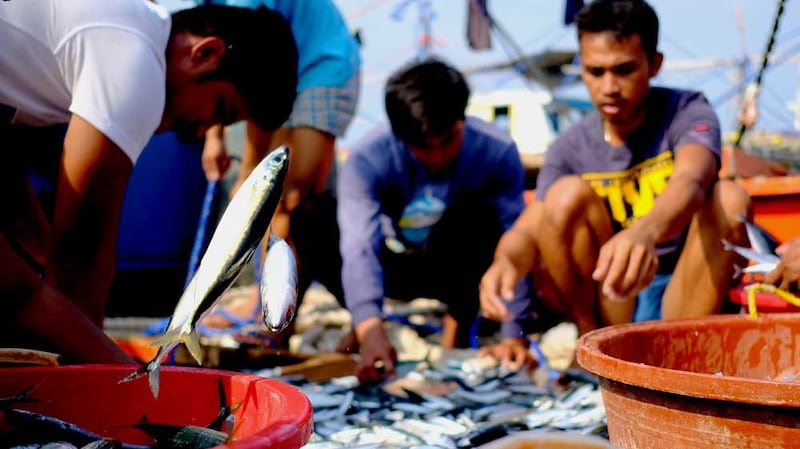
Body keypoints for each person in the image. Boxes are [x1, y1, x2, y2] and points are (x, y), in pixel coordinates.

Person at [0, 0, 298, 364]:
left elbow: (11, 188)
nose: (203, 129)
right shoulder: (138, 62)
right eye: (220, 110)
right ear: (206, 53)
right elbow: (79, 260)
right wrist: (122, 384)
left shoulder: (114, 24)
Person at [479, 0, 752, 363]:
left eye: (623, 70)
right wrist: (505, 263)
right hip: (612, 299)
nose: (608, 87)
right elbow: (529, 227)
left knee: (730, 199)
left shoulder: (687, 111)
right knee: (563, 196)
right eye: (595, 71)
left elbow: (692, 178)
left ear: (654, 65)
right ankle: (591, 352)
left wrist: (645, 233)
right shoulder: (569, 146)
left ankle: (683, 363)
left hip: (683, 286)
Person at [338, 58, 533, 383]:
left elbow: (519, 239)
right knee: (310, 216)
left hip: (458, 267)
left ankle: (456, 331)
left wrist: (515, 332)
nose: (438, 155)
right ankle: (361, 327)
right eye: (424, 148)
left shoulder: (497, 151)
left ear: (462, 119)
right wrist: (370, 325)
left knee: (480, 216)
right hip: (394, 267)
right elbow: (360, 246)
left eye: (447, 140)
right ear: (400, 136)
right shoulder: (366, 159)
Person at [198, 0, 360, 336]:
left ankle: (276, 314)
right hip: (274, 75)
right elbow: (218, 70)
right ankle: (266, 303)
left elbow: (260, 69)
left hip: (320, 66)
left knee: (292, 195)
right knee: (276, 203)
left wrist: (249, 172)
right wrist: (212, 137)